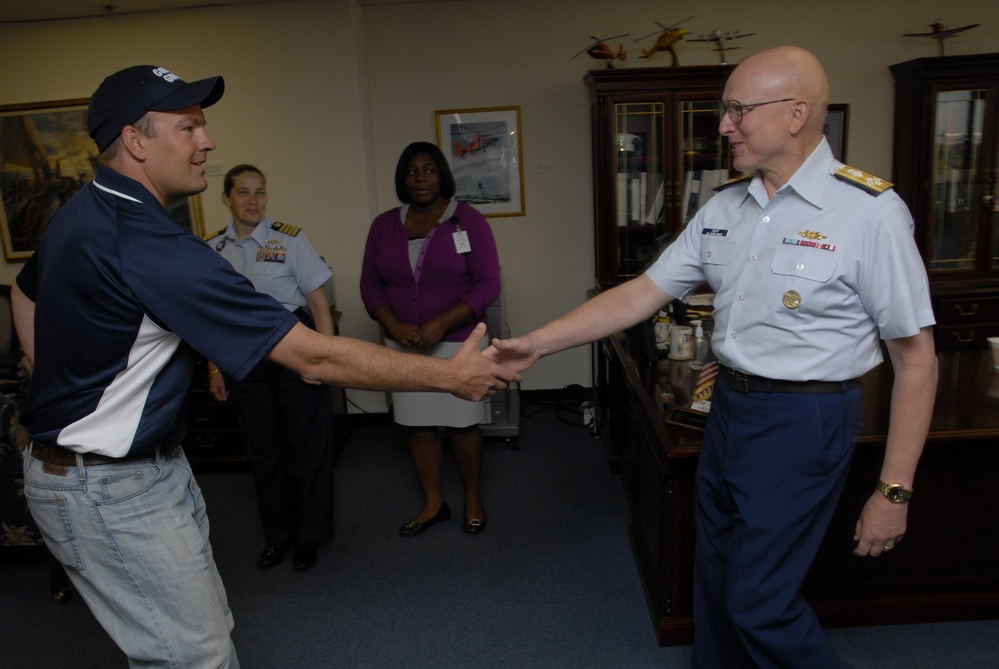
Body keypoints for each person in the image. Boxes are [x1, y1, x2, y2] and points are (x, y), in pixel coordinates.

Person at [13, 65, 518, 668]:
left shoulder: (81, 210)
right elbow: (312, 352)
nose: (209, 142)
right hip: (109, 488)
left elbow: (25, 292)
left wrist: (67, 385)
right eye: (189, 127)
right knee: (196, 656)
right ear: (136, 140)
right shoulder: (152, 244)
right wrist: (448, 375)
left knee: (193, 635)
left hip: (117, 471)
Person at [486, 46, 938, 668]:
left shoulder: (868, 213)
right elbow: (643, 293)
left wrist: (894, 492)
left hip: (803, 423)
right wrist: (535, 343)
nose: (724, 125)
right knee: (716, 573)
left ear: (796, 113)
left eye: (738, 110)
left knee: (761, 601)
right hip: (726, 406)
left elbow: (916, 360)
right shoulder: (726, 205)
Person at [360, 141, 500, 537]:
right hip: (403, 345)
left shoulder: (468, 221)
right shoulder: (384, 225)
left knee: (462, 423)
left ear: (442, 176)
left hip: (459, 342)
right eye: (411, 171)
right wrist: (391, 323)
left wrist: (441, 323)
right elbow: (370, 284)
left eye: (429, 170)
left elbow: (489, 285)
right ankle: (433, 502)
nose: (420, 178)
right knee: (417, 423)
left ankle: (474, 499)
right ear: (402, 180)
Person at [204, 164, 336, 572]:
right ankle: (278, 536)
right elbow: (209, 317)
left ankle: (309, 536)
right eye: (243, 193)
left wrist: (325, 359)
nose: (252, 201)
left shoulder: (289, 240)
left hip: (294, 351)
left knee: (305, 446)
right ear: (226, 198)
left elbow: (319, 305)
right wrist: (214, 369)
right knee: (264, 450)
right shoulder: (212, 250)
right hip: (246, 360)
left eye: (259, 192)